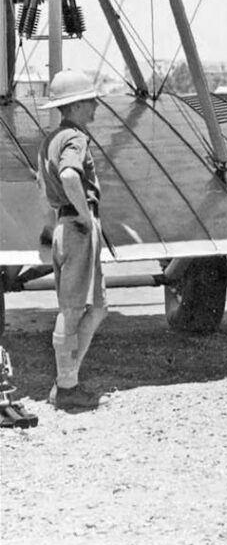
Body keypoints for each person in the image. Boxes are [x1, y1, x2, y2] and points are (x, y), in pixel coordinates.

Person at [36, 69, 108, 411]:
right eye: (90, 101)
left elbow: (42, 185)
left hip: (61, 226)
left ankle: (67, 380)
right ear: (76, 105)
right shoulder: (76, 139)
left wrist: (55, 225)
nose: (95, 107)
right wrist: (82, 215)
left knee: (91, 307)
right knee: (78, 309)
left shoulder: (50, 139)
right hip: (78, 225)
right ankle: (66, 386)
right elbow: (69, 175)